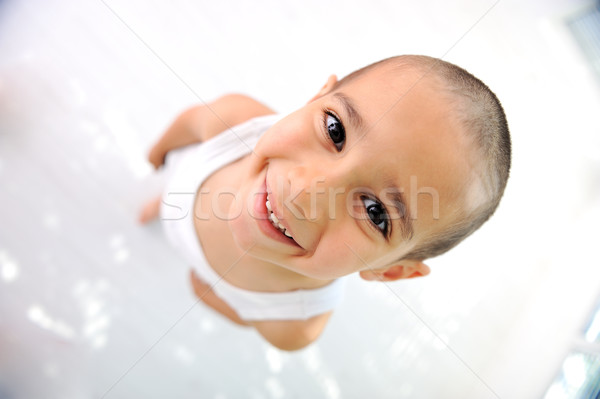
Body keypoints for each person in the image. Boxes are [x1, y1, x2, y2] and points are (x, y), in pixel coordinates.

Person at [139, 55, 511, 351]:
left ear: (391, 270)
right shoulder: (235, 123)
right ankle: (168, 204)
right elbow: (190, 123)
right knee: (180, 196)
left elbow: (249, 317)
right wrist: (158, 152)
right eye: (335, 130)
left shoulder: (294, 324)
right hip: (192, 179)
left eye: (374, 211)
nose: (305, 193)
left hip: (211, 264)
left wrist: (208, 293)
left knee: (186, 203)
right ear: (316, 97)